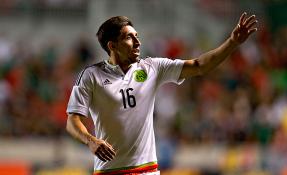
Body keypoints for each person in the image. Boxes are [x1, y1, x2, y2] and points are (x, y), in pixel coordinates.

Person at [66, 12, 257, 175]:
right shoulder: (90, 76)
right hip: (109, 171)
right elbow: (72, 121)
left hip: (146, 170)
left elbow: (200, 66)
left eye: (137, 35)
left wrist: (232, 42)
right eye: (129, 37)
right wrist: (91, 141)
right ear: (112, 45)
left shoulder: (152, 67)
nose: (137, 42)